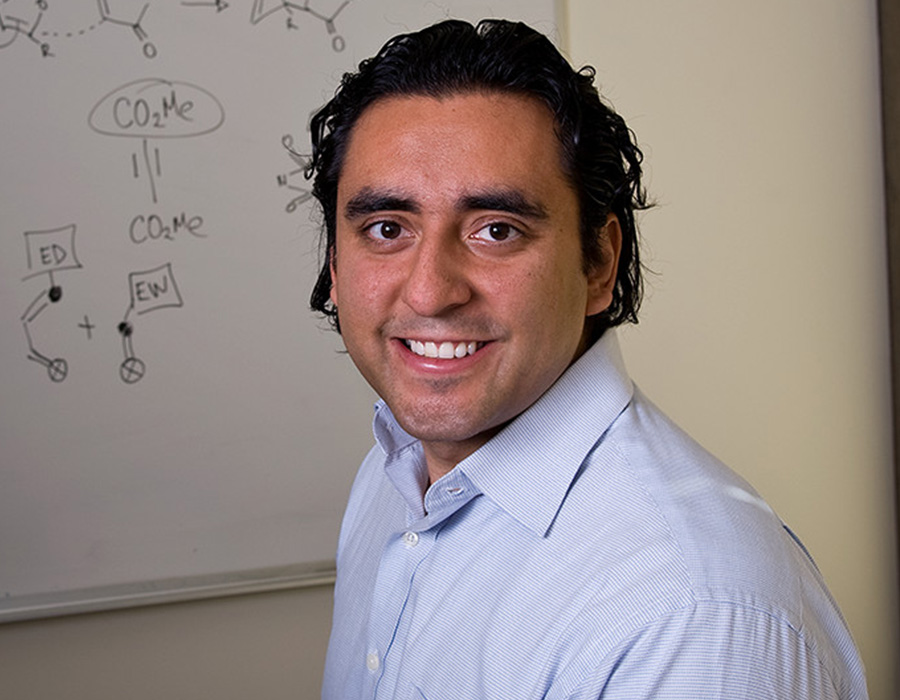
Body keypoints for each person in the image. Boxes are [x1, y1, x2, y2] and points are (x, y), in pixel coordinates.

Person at [306, 18, 869, 699]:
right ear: (336, 264)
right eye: (387, 229)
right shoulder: (393, 472)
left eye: (496, 230)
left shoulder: (695, 620)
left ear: (599, 262)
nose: (430, 290)